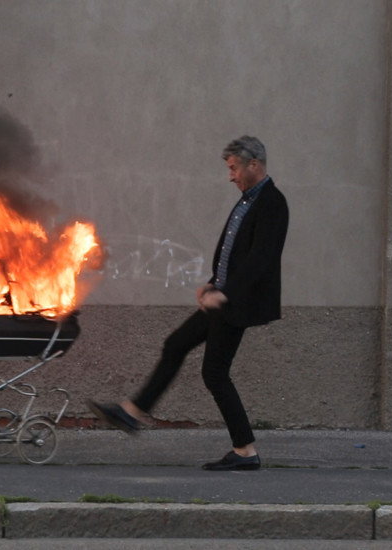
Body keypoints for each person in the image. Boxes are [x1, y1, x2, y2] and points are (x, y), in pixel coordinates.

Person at [89, 135, 289, 471]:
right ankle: (132, 413)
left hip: (236, 304)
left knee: (215, 373)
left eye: (234, 168)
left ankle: (245, 451)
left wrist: (226, 292)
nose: (230, 176)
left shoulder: (272, 203)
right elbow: (234, 254)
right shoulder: (247, 201)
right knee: (176, 344)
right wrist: (214, 283)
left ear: (254, 165)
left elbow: (261, 259)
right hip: (223, 298)